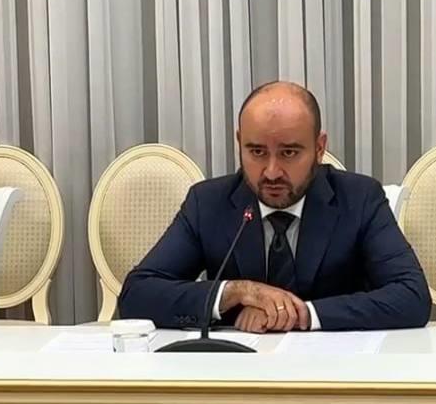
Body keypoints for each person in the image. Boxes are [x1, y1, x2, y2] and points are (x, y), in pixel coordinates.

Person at [119, 81, 431, 332]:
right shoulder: (208, 203)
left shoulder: (359, 198)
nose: (271, 172)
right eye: (256, 151)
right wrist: (238, 292)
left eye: (289, 153)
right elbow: (137, 294)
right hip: (239, 373)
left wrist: (300, 314)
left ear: (319, 148)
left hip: (335, 372)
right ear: (239, 143)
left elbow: (411, 296)